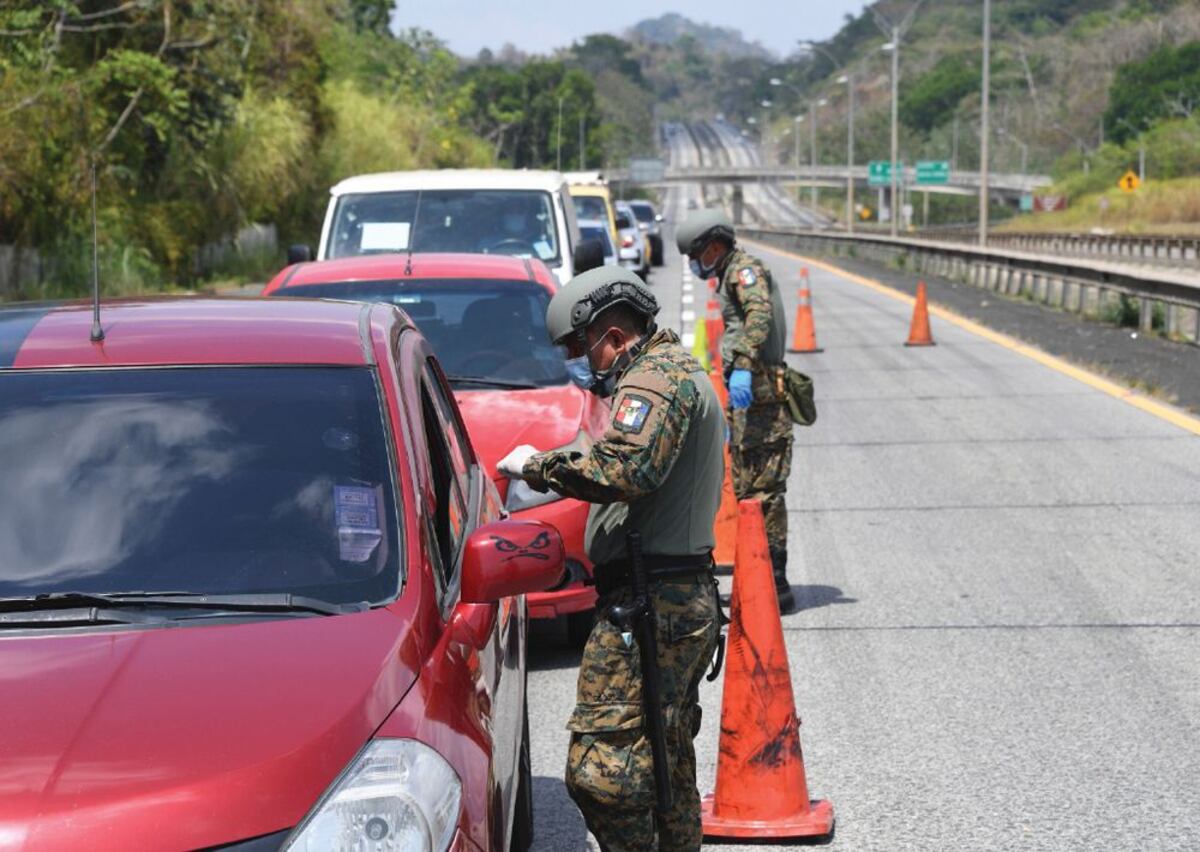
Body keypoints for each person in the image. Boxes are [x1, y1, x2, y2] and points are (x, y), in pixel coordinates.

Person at [497, 266, 725, 851]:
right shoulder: (661, 375)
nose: (579, 362)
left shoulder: (654, 380)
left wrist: (537, 467)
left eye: (581, 349)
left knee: (601, 771)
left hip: (654, 601)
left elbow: (625, 469)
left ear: (616, 339)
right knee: (664, 756)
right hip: (665, 595)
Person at [675, 208, 796, 613]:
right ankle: (757, 580)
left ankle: (774, 584)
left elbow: (758, 316)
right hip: (750, 401)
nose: (694, 265)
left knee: (763, 492)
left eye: (696, 255)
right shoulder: (729, 275)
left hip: (761, 397)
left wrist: (742, 366)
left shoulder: (744, 272)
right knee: (748, 489)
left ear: (713, 247)